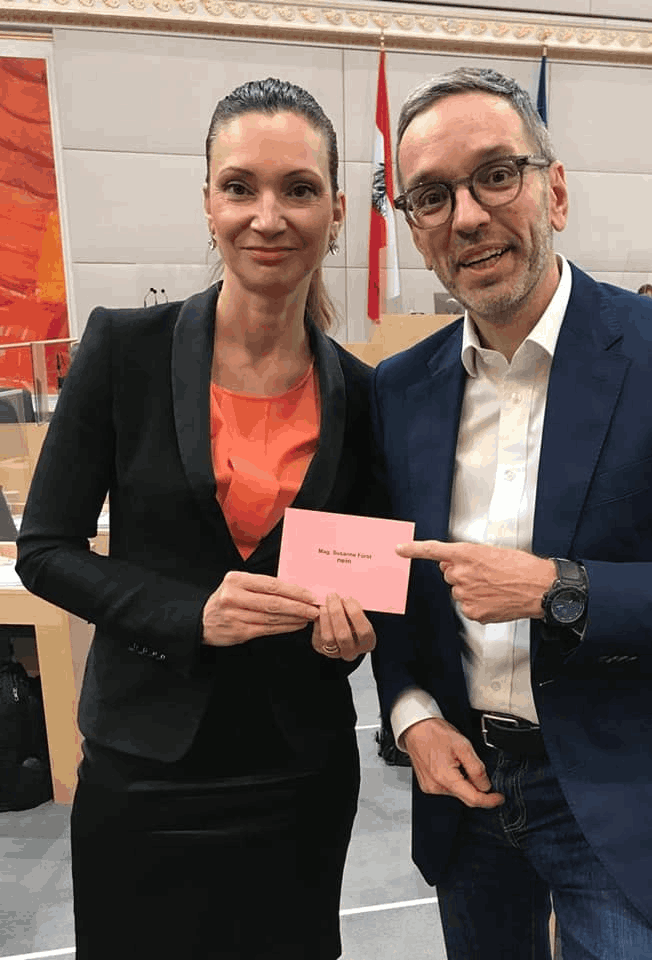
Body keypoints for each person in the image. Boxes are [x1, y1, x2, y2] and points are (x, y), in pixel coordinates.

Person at [370, 67, 652, 960]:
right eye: (432, 196)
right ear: (413, 226)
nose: (467, 217)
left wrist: (557, 589)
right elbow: (395, 592)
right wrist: (412, 715)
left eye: (496, 175)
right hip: (468, 793)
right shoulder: (400, 390)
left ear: (554, 189)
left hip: (635, 799)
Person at [16, 77, 379, 960]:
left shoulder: (366, 394)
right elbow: (46, 549)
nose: (268, 217)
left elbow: (365, 574)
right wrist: (190, 615)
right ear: (208, 202)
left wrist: (355, 634)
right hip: (145, 765)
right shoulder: (123, 350)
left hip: (299, 769)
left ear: (336, 211)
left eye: (298, 189)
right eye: (240, 186)